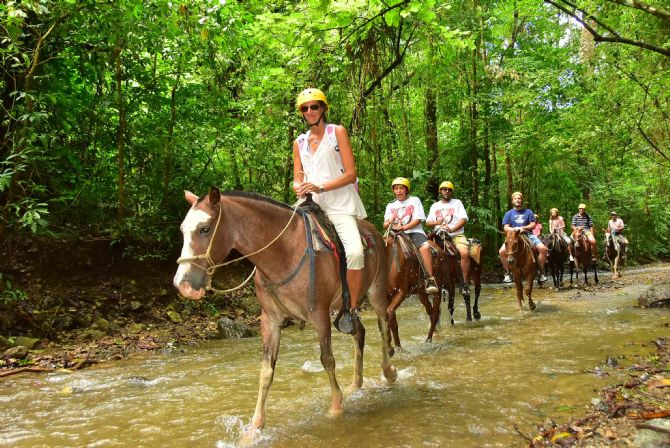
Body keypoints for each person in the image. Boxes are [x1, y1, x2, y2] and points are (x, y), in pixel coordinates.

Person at [292, 88, 367, 329]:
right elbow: (297, 175)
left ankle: (352, 309)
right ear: (301, 113)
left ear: (323, 108)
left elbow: (352, 173)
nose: (310, 111)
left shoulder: (338, 133)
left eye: (315, 106)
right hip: (309, 204)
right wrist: (298, 186)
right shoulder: (299, 142)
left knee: (355, 251)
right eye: (305, 108)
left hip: (338, 203)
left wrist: (321, 186)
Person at [383, 177, 439, 294]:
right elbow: (385, 224)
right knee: (381, 246)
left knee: (425, 247)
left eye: (401, 188)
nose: (398, 191)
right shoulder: (390, 205)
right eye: (396, 188)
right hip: (395, 233)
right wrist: (389, 222)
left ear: (406, 190)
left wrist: (403, 227)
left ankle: (430, 279)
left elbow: (418, 219)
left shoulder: (414, 200)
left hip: (414, 232)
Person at [425, 181, 471, 290]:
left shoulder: (457, 203)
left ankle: (464, 282)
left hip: (455, 235)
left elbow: (463, 219)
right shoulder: (435, 205)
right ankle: (430, 280)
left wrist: (452, 229)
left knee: (464, 253)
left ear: (452, 192)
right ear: (440, 191)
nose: (447, 191)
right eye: (444, 189)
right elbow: (428, 222)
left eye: (449, 190)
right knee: (426, 252)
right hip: (438, 235)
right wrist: (437, 222)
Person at [498, 192, 548, 283]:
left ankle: (540, 272)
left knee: (543, 249)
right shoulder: (509, 213)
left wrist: (522, 228)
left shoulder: (528, 212)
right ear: (512, 201)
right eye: (515, 198)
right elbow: (505, 227)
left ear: (522, 200)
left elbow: (533, 224)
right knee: (501, 251)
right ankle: (508, 273)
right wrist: (514, 229)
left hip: (527, 234)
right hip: (513, 236)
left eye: (519, 198)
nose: (517, 200)